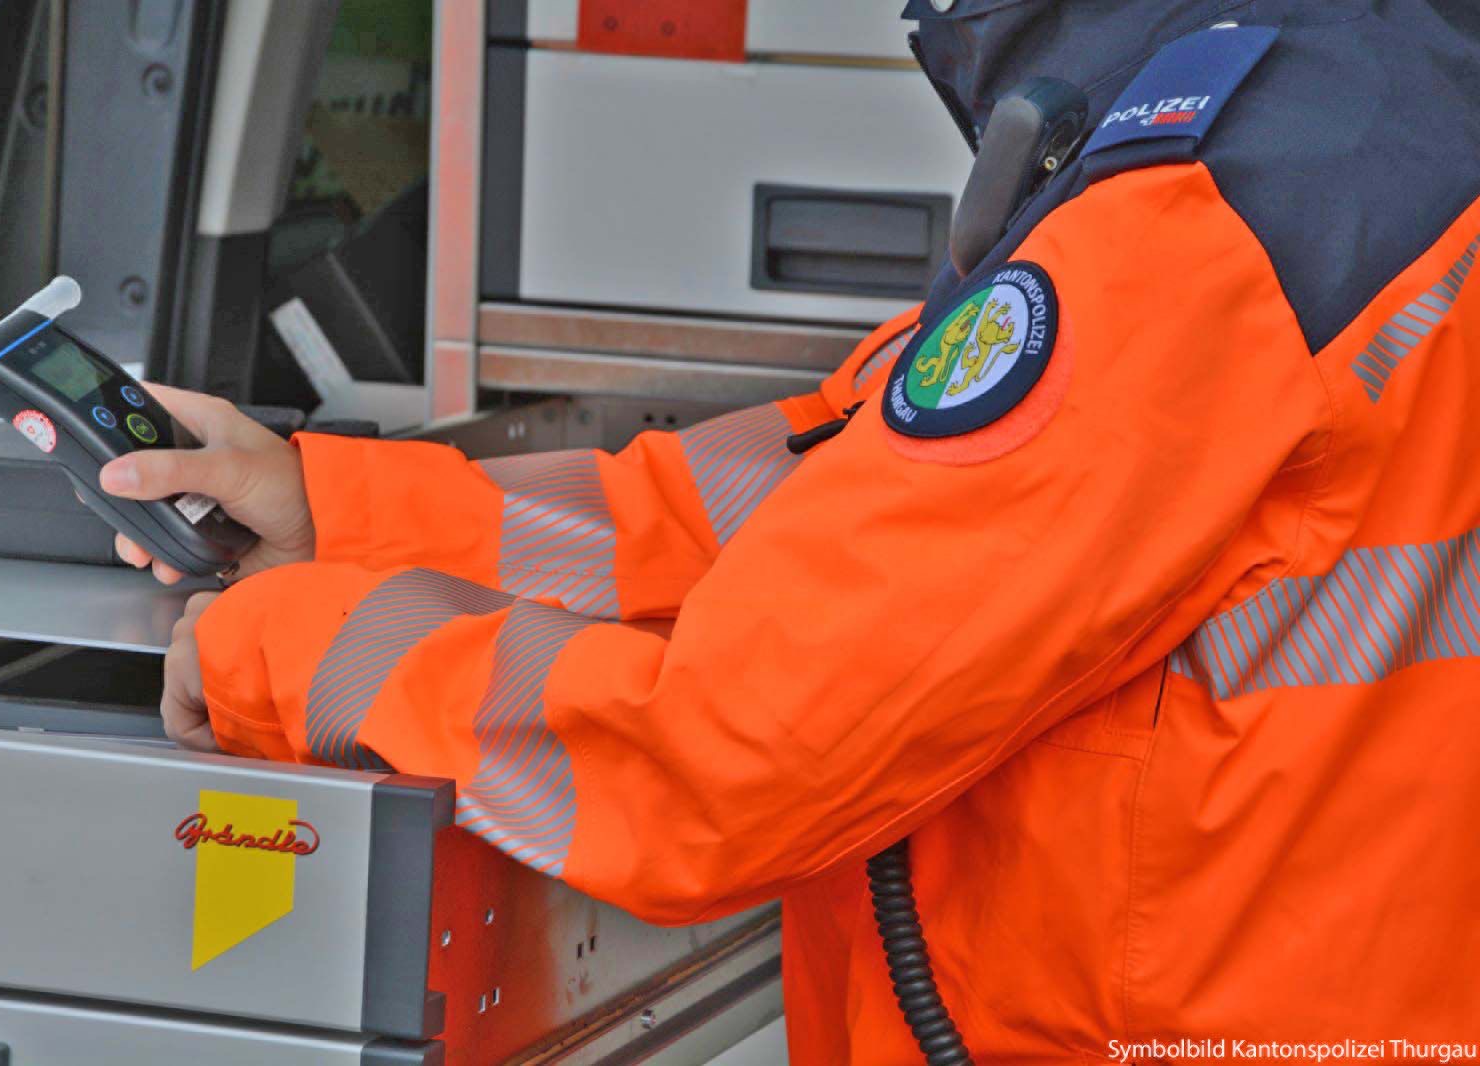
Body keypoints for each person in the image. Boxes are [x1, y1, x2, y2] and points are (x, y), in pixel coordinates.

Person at [99, 1, 1480, 1061]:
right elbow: (824, 485)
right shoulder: (1367, 118)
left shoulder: (1207, 208)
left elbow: (728, 754)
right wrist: (344, 512)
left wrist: (293, 649)